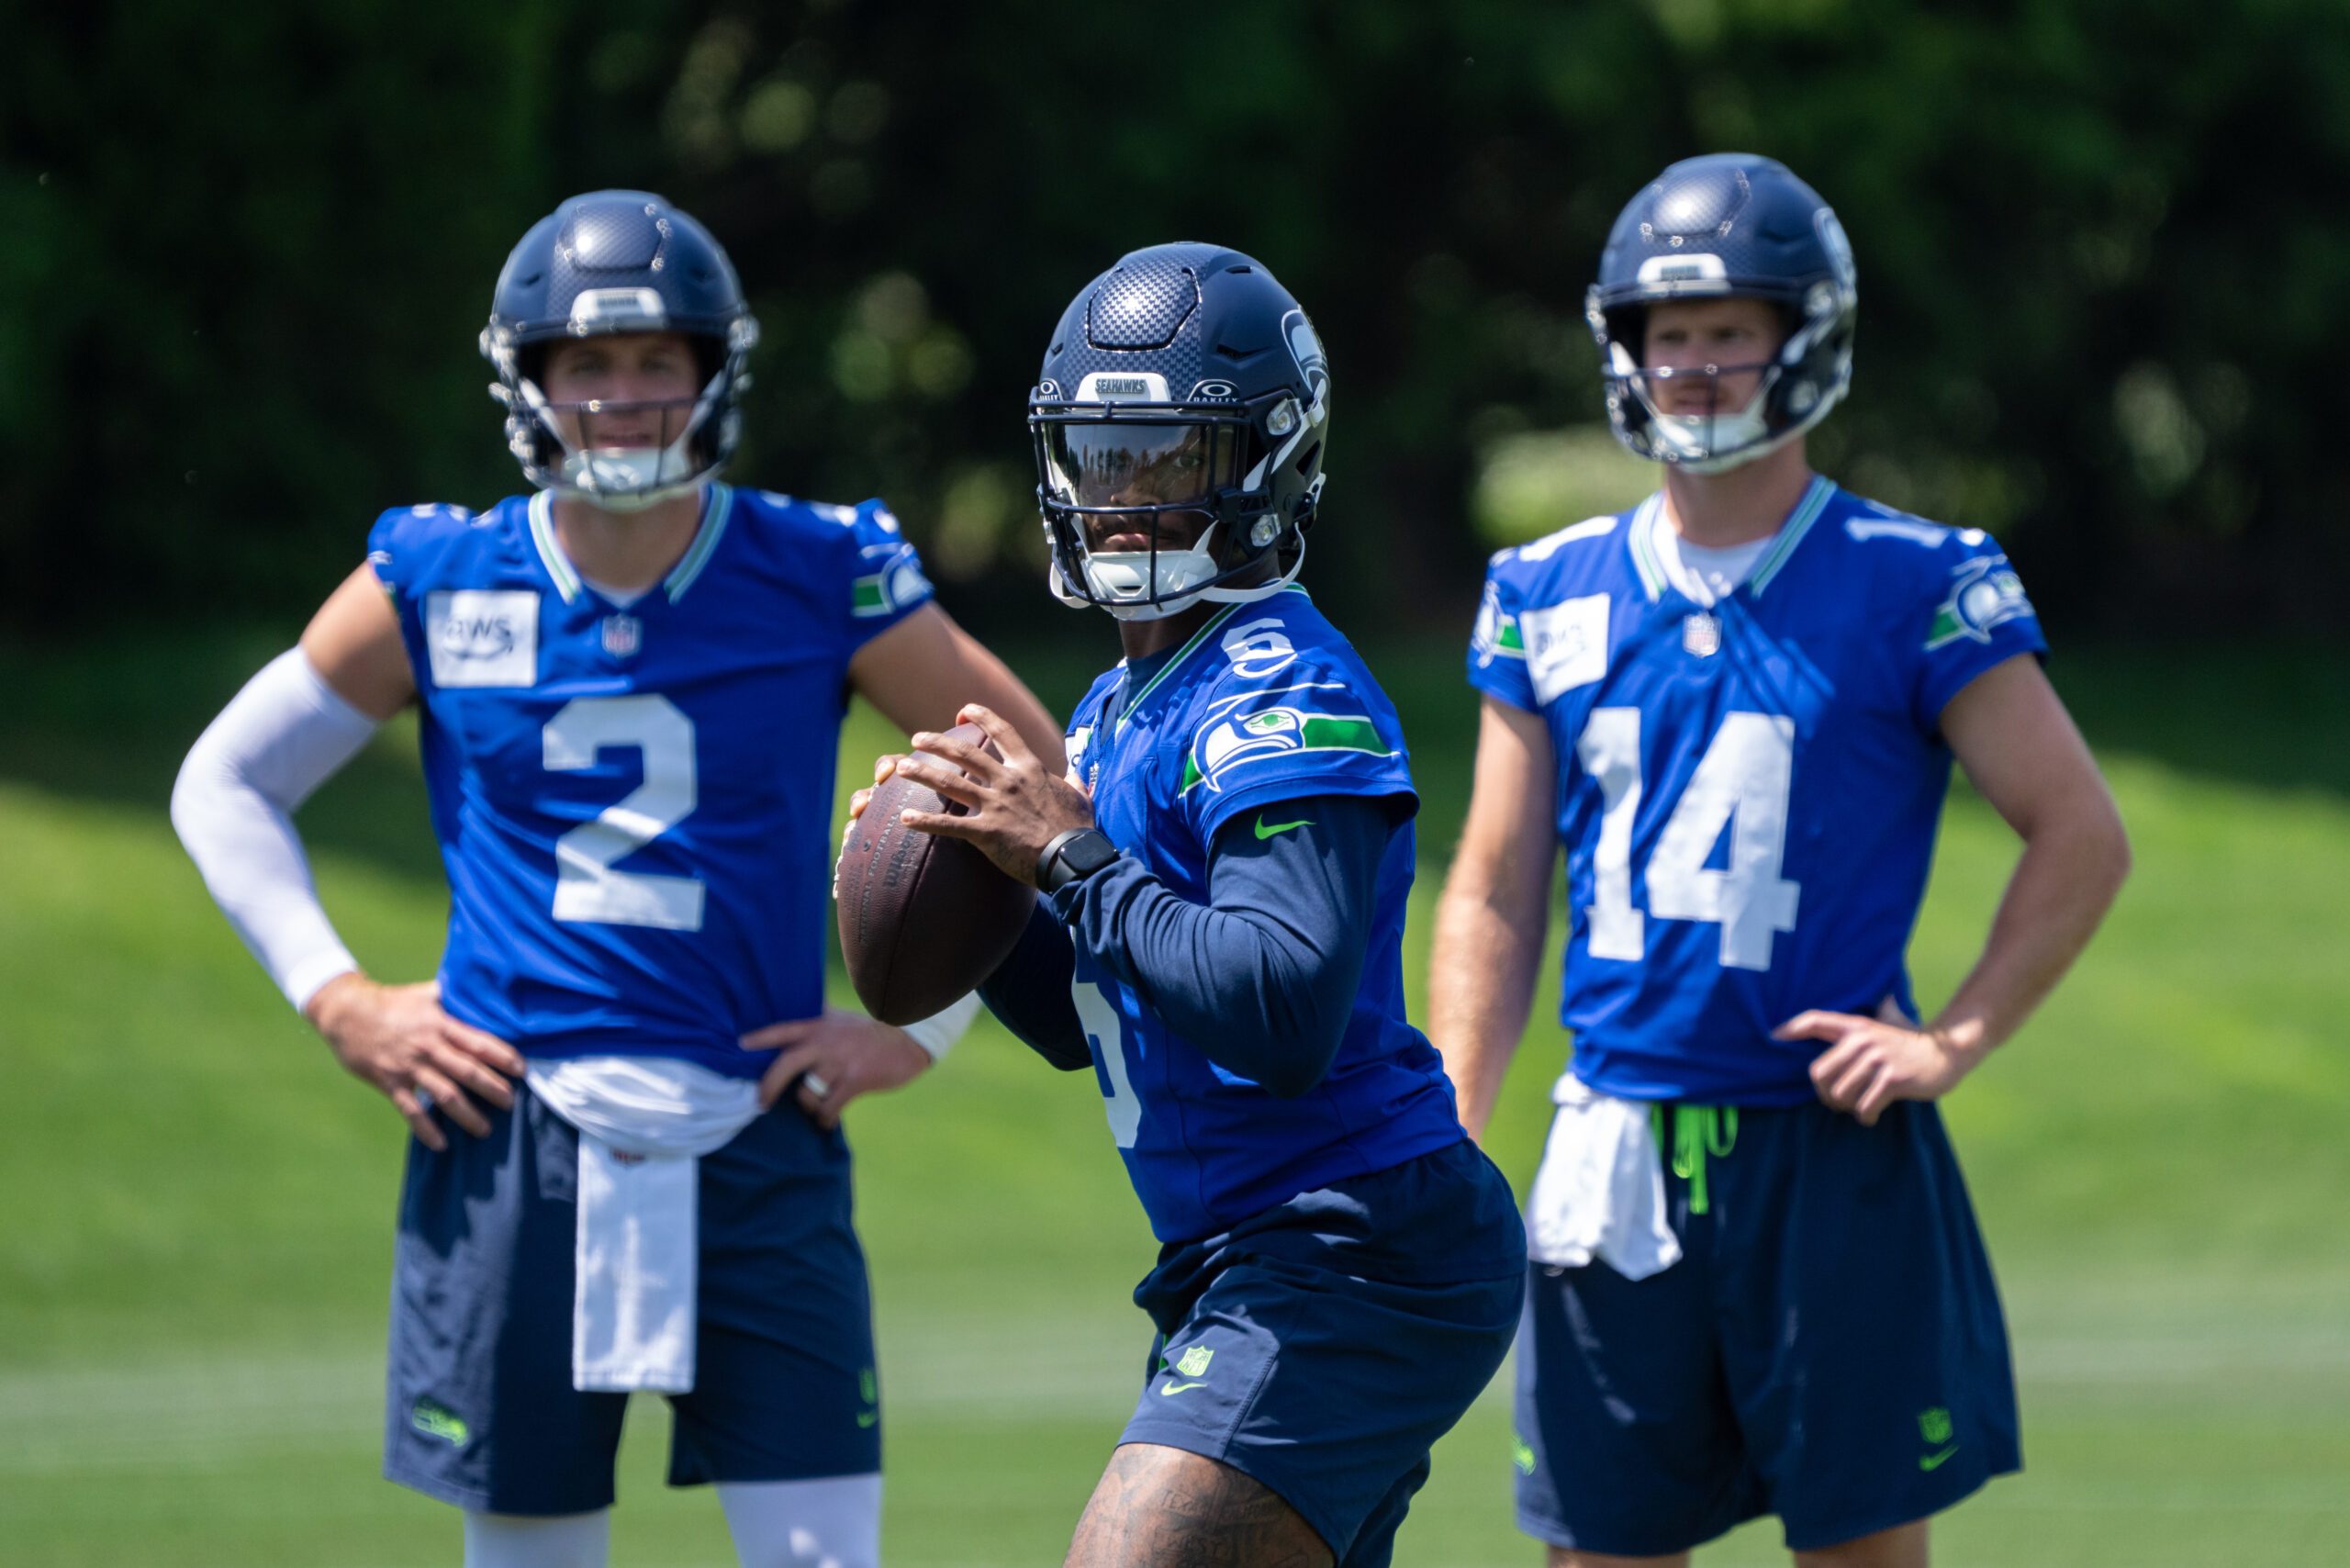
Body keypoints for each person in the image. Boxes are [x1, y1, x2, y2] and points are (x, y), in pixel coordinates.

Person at [171, 189, 1061, 1568]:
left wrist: (923, 1029)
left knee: (824, 1557)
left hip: (759, 1128)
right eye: (589, 364)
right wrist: (339, 999)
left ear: (715, 373)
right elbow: (223, 783)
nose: (628, 396)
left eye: (660, 361)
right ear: (530, 382)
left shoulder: (823, 569)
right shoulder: (439, 572)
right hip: (511, 1132)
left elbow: (1036, 785)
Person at [1428, 154, 2131, 1568]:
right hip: (1613, 1144)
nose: (1690, 367)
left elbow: (2081, 833)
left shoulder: (1914, 579)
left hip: (1826, 1154)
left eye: (1728, 330)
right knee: (1600, 1551)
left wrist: (1952, 1039)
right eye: (1665, 334)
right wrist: (1450, 1125)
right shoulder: (1546, 591)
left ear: (1804, 337)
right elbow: (1496, 886)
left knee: (1862, 1553)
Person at [849, 242, 1526, 1568]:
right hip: (1252, 1252)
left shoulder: (1285, 689)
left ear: (1266, 466)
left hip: (1356, 1246)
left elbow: (1281, 1009)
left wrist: (1071, 858)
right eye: (1104, 460)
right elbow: (1082, 1016)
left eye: (1174, 460)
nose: (1129, 500)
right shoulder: (1115, 707)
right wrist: (960, 864)